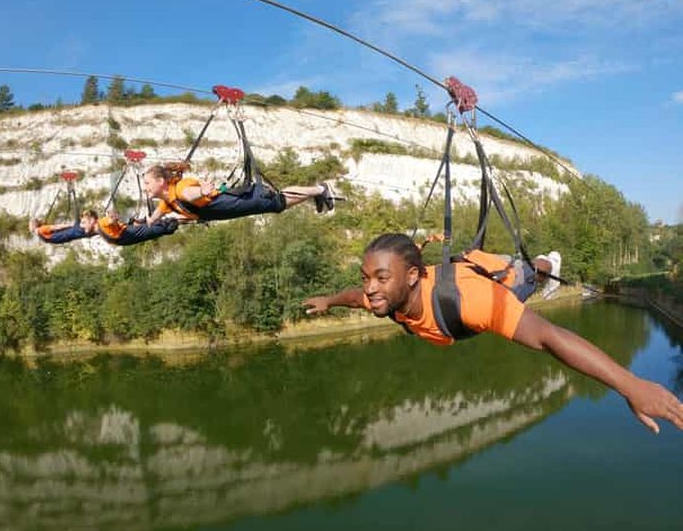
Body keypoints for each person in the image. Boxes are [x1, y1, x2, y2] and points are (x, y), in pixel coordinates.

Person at [303, 233, 683, 434]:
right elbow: (355, 298)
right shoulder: (386, 296)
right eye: (366, 278)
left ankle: (550, 261)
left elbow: (549, 337)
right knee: (504, 266)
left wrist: (631, 385)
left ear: (413, 276)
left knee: (529, 273)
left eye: (380, 278)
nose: (370, 288)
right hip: (471, 268)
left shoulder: (473, 304)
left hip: (495, 282)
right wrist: (328, 300)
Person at [142, 162, 338, 225]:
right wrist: (143, 223)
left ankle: (321, 189)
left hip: (245, 200)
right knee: (280, 204)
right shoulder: (168, 201)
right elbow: (154, 218)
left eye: (147, 183)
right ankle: (318, 192)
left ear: (161, 182)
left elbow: (190, 194)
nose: (145, 187)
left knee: (280, 200)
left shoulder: (180, 189)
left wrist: (201, 191)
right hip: (241, 206)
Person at [30, 208, 178, 246]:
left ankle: (169, 223)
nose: (82, 224)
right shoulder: (98, 228)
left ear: (92, 220)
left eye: (84, 222)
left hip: (126, 234)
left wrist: (112, 216)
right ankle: (167, 223)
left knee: (161, 228)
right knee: (157, 228)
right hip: (125, 235)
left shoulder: (101, 223)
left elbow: (110, 221)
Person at [95, 210, 179, 246]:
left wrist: (131, 222)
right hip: (124, 234)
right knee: (152, 229)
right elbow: (112, 220)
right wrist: (112, 214)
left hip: (124, 233)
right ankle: (169, 225)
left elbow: (114, 222)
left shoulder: (101, 223)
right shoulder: (102, 222)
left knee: (149, 228)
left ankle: (168, 225)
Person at [29, 210, 98, 244]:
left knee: (82, 232)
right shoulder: (42, 229)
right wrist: (70, 225)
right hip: (66, 234)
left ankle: (95, 230)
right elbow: (57, 227)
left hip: (64, 238)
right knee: (79, 229)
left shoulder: (39, 234)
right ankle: (96, 228)